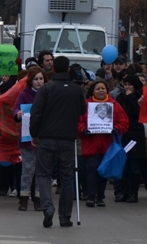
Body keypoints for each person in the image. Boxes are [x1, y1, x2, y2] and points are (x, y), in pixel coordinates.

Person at [29, 56, 86, 228]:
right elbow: (82, 111)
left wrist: (34, 133)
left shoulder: (46, 89)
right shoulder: (77, 90)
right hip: (68, 138)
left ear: (53, 68)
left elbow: (36, 113)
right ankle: (65, 217)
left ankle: (48, 208)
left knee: (44, 174)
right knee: (67, 177)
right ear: (68, 69)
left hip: (46, 137)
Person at [78, 80, 129, 207]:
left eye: (103, 88)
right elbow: (78, 122)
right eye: (98, 88)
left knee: (103, 171)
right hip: (91, 143)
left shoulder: (115, 105)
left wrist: (116, 129)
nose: (101, 90)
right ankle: (91, 196)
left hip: (108, 145)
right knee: (92, 169)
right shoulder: (86, 105)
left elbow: (124, 122)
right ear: (93, 91)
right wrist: (83, 130)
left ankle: (100, 196)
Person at [13, 66, 46, 211]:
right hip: (27, 138)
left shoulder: (47, 93)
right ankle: (24, 198)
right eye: (36, 79)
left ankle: (38, 198)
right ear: (31, 81)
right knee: (27, 169)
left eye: (41, 79)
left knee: (41, 170)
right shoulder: (24, 94)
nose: (39, 82)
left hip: (44, 138)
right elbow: (16, 109)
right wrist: (18, 114)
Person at [116, 74, 146, 203]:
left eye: (130, 85)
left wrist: (132, 98)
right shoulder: (120, 97)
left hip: (135, 135)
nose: (127, 87)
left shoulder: (140, 97)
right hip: (123, 134)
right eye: (125, 84)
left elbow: (139, 114)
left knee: (134, 166)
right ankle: (124, 191)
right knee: (123, 166)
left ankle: (134, 193)